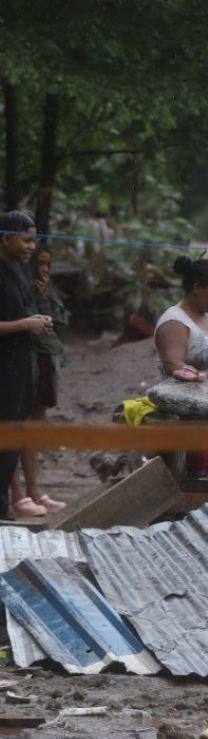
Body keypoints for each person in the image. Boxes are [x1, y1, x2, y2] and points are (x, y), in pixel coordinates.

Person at [154, 255, 208, 482]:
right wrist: (206, 382)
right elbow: (174, 366)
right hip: (193, 417)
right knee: (197, 480)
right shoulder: (175, 322)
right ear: (197, 288)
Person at [8, 242, 70, 517]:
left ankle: (34, 491)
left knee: (32, 427)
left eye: (47, 264)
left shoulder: (43, 289)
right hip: (21, 363)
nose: (43, 270)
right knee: (15, 427)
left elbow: (59, 324)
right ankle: (18, 495)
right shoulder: (14, 285)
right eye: (39, 264)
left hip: (43, 359)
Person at [0, 211, 52, 520]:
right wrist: (24, 325)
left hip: (16, 371)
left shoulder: (17, 271)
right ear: (4, 238)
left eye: (34, 241)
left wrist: (36, 320)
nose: (31, 247)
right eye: (26, 240)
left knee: (11, 443)